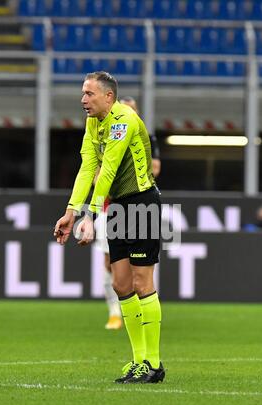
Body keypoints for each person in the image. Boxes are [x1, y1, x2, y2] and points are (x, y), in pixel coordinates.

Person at [54, 71, 165, 384]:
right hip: (117, 207)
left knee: (143, 282)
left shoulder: (123, 120)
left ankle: (153, 364)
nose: (83, 100)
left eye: (89, 94)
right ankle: (138, 360)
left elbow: (110, 168)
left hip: (142, 203)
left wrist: (90, 214)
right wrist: (71, 212)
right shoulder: (94, 122)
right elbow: (88, 166)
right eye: (83, 93)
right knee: (120, 284)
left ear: (108, 97)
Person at [97, 96, 162, 331]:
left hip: (140, 202)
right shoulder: (103, 132)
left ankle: (150, 352)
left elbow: (154, 168)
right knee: (114, 271)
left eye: (132, 110)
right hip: (110, 208)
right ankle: (115, 312)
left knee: (142, 274)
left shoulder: (144, 136)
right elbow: (96, 171)